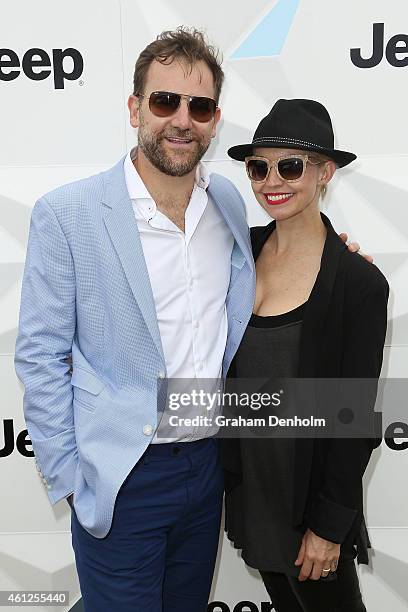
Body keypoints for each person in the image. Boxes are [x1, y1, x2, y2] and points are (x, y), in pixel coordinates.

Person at [14, 26, 368, 612]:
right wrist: (73, 477)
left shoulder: (226, 204)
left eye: (198, 106)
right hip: (122, 475)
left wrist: (340, 256)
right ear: (135, 109)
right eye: (164, 101)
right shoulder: (67, 214)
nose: (182, 119)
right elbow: (40, 354)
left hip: (208, 469)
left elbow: (289, 249)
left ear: (215, 118)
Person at [222, 99, 389, 612]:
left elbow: (352, 417)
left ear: (325, 173)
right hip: (254, 493)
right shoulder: (236, 254)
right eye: (259, 166)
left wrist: (327, 527)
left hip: (309, 508)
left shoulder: (357, 283)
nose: (273, 180)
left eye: (291, 165)